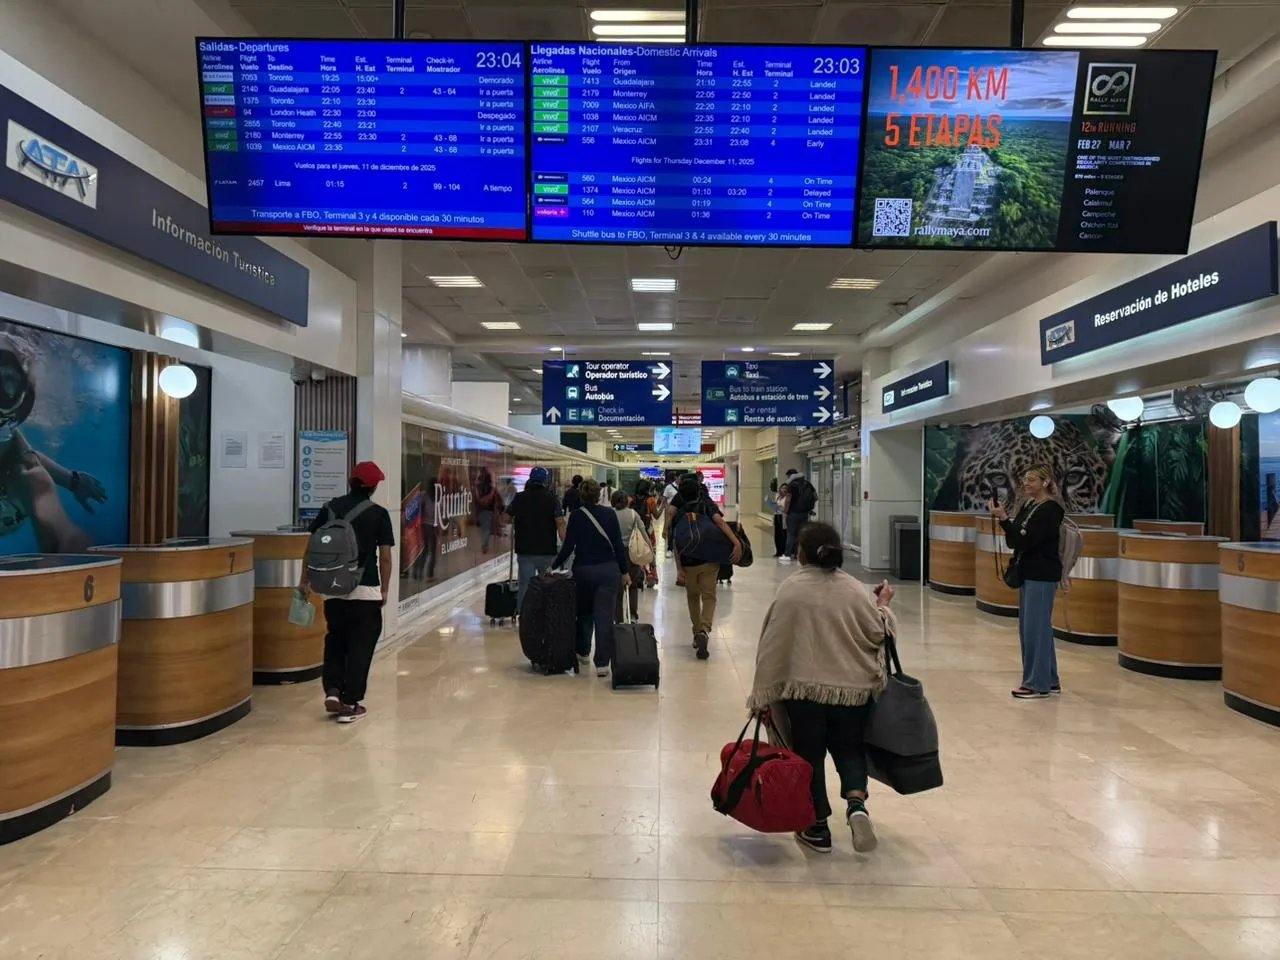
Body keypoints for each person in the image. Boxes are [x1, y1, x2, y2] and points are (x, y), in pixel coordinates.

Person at [747, 522, 896, 854]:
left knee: (809, 753)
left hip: (804, 690)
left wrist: (765, 689)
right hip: (853, 689)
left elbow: (772, 643)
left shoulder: (791, 590)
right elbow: (879, 632)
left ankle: (816, 827)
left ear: (802, 553)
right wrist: (883, 604)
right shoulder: (854, 589)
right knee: (850, 748)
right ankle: (856, 806)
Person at [301, 461, 396, 724]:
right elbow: (385, 557)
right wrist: (385, 589)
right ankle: (351, 703)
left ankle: (332, 690)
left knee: (336, 640)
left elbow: (310, 549)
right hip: (365, 589)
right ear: (373, 486)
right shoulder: (378, 514)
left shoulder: (330, 509)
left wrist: (304, 581)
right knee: (360, 647)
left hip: (331, 590)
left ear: (350, 481)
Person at [990, 465, 1066, 700]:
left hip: (1041, 575)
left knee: (1035, 629)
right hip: (1028, 573)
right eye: (1025, 480)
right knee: (1035, 628)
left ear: (1045, 482)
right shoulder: (1029, 505)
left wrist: (1005, 520)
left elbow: (1026, 539)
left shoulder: (1051, 510)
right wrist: (1005, 520)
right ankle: (1049, 679)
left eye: (1031, 480)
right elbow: (1015, 538)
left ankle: (1036, 684)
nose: (1026, 483)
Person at [553, 478, 630, 678]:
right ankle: (603, 663)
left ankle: (583, 652)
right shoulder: (610, 514)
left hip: (584, 571)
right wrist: (625, 571)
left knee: (584, 613)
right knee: (605, 617)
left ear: (581, 495)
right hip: (608, 571)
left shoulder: (577, 516)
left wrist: (553, 566)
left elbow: (568, 546)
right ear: (598, 495)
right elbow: (618, 545)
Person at [666, 474, 741, 660]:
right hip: (709, 559)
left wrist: (679, 569)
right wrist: (736, 543)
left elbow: (676, 543)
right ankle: (704, 630)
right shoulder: (706, 504)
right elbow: (720, 523)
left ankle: (696, 631)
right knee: (709, 596)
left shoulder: (680, 512)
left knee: (693, 597)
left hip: (688, 563)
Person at [505, 466, 566, 613]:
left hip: (525, 549)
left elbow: (505, 518)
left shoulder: (520, 497)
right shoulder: (552, 499)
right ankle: (546, 615)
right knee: (547, 584)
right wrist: (565, 543)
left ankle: (524, 616)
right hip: (547, 550)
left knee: (525, 584)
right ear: (545, 481)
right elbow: (560, 522)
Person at [612, 489, 644, 620]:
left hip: (615, 554)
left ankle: (618, 619)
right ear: (627, 501)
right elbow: (643, 533)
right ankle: (633, 614)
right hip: (632, 553)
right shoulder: (633, 514)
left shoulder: (610, 514)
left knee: (617, 589)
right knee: (633, 584)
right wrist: (651, 558)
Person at [783, 468, 816, 563]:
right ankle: (799, 554)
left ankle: (787, 554)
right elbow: (815, 497)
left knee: (791, 534)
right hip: (804, 513)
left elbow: (788, 499)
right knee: (801, 534)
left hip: (793, 513)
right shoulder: (807, 484)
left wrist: (785, 512)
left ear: (790, 476)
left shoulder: (792, 485)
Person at [474, 468, 498, 553]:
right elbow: (492, 497)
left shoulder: (479, 487)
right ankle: (485, 544)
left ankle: (485, 543)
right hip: (489, 510)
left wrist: (481, 500)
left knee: (484, 528)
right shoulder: (491, 488)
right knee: (487, 528)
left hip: (480, 510)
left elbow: (477, 497)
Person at [767, 477, 787, 559]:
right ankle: (778, 551)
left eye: (786, 488)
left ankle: (783, 551)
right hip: (777, 516)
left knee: (783, 535)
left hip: (783, 517)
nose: (784, 490)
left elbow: (785, 508)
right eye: (783, 488)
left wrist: (779, 508)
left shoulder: (787, 498)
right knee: (777, 535)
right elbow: (775, 507)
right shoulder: (778, 497)